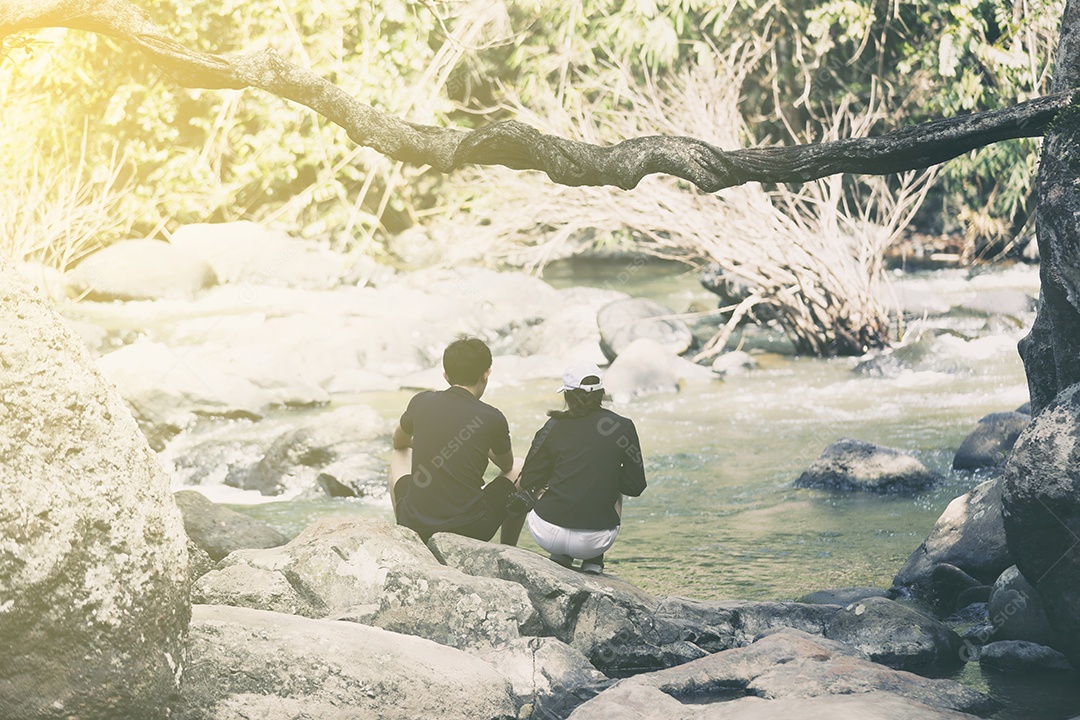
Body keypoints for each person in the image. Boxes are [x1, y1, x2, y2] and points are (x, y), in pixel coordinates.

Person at [389, 335, 524, 543]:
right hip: (471, 528)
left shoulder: (421, 401)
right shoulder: (492, 417)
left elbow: (399, 442)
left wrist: (432, 444)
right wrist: (480, 443)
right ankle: (509, 548)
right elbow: (506, 465)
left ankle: (407, 537)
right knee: (522, 466)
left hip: (414, 523)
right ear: (486, 374)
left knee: (400, 454)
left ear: (446, 376)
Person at [515, 360, 647, 574]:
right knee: (612, 481)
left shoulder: (553, 425)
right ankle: (594, 561)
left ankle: (561, 556)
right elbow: (635, 486)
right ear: (601, 394)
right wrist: (606, 472)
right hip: (596, 540)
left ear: (567, 395)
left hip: (548, 533)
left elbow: (529, 478)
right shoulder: (623, 426)